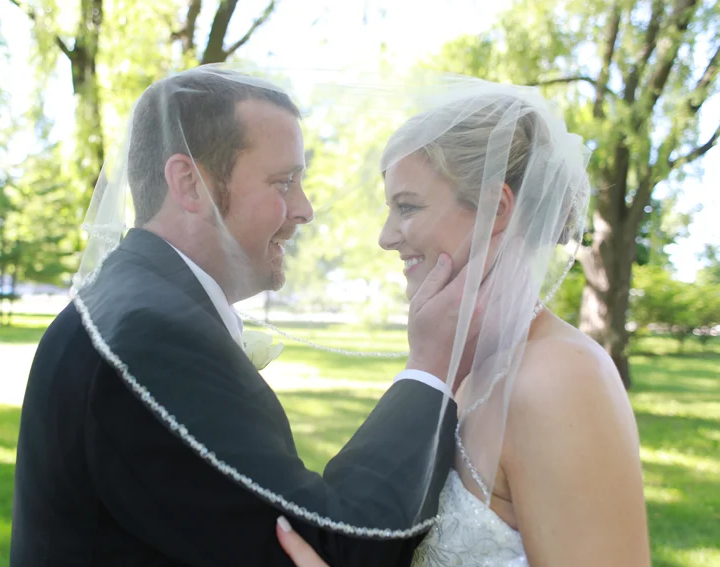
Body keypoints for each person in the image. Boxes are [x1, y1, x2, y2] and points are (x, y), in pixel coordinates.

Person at [10, 67, 470, 566]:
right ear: (190, 184)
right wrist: (432, 366)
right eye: (284, 182)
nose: (305, 209)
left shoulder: (134, 300)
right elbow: (329, 546)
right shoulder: (153, 332)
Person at [273, 75, 650, 566]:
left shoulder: (561, 379)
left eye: (406, 207)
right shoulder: (467, 368)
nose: (387, 238)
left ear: (496, 207)